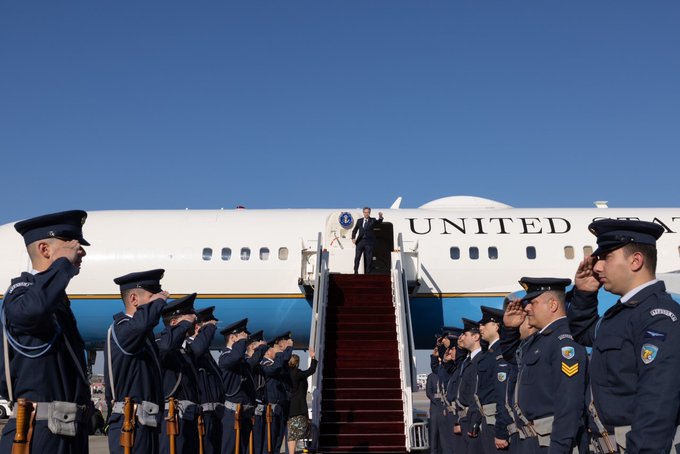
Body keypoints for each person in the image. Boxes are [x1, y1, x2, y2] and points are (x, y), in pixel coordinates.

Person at [567, 219, 680, 453]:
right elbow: (583, 334)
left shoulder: (658, 315)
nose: (597, 267)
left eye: (606, 257)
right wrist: (584, 295)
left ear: (636, 261)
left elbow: (657, 402)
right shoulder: (621, 314)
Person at [0, 210, 92, 454]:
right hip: (40, 433)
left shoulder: (56, 302)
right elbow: (31, 312)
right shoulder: (20, 292)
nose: (80, 251)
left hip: (68, 432)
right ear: (44, 250)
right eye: (71, 244)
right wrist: (62, 265)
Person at [503, 277, 586, 454]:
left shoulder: (564, 341)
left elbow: (569, 403)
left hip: (550, 444)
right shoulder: (540, 340)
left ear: (552, 305)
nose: (526, 309)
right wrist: (510, 330)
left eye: (532, 303)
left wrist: (559, 449)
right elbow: (512, 359)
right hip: (531, 443)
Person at [105, 269, 168, 454]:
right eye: (151, 297)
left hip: (145, 423)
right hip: (129, 423)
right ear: (134, 299)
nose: (159, 303)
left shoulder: (143, 336)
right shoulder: (122, 328)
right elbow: (141, 325)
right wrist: (159, 302)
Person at [156, 293, 202, 454]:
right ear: (174, 322)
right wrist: (182, 326)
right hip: (169, 418)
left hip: (188, 416)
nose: (194, 321)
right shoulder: (161, 343)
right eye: (190, 318)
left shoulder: (185, 350)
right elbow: (166, 347)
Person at [500, 297, 539, 454]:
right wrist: (509, 330)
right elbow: (509, 354)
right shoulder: (525, 349)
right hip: (526, 436)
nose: (516, 327)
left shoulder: (543, 347)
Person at [219, 318, 257, 454]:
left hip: (244, 411)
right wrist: (241, 342)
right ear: (233, 338)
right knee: (229, 448)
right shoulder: (226, 357)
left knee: (242, 448)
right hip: (232, 412)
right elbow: (235, 358)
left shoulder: (240, 359)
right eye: (241, 336)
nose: (245, 339)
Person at [190, 306, 223, 454]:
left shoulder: (206, 354)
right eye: (209, 329)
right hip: (201, 414)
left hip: (213, 414)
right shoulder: (190, 348)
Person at [477, 306, 510, 453]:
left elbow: (502, 394)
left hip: (495, 420)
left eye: (484, 324)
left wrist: (501, 429)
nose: (480, 327)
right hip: (487, 419)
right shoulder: (490, 352)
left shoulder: (501, 352)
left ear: (497, 326)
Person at [261, 333, 294, 454]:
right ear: (268, 351)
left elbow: (283, 363)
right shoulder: (265, 364)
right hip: (272, 408)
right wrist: (283, 350)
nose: (278, 352)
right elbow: (278, 365)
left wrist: (286, 349)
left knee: (278, 441)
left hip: (280, 407)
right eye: (275, 349)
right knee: (270, 440)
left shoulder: (276, 363)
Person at [457, 318, 484, 453]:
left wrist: (474, 422)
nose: (462, 338)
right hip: (466, 417)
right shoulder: (469, 360)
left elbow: (477, 394)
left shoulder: (480, 360)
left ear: (475, 337)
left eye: (465, 335)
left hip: (475, 418)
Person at [287, 350, 317, 454]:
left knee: (292, 433)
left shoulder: (286, 373)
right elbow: (311, 370)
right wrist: (313, 358)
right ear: (297, 362)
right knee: (297, 433)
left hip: (290, 407)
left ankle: (291, 452)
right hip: (298, 408)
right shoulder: (297, 373)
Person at [351, 207, 384, 274]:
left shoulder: (373, 220)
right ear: (363, 213)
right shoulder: (359, 221)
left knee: (369, 258)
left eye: (368, 212)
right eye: (365, 212)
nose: (366, 214)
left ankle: (368, 272)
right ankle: (355, 271)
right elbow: (354, 230)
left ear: (370, 213)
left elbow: (379, 222)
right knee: (357, 257)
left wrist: (380, 217)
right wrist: (353, 238)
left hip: (369, 242)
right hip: (360, 241)